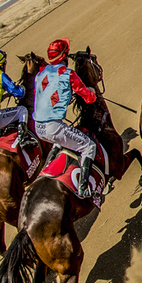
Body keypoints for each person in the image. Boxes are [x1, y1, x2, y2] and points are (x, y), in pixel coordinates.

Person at [33, 38, 99, 198]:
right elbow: (89, 98)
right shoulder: (68, 73)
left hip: (38, 128)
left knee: (59, 142)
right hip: (53, 127)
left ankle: (44, 170)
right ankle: (83, 189)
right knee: (89, 146)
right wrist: (92, 92)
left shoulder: (40, 74)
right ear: (64, 56)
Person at [0, 50, 39, 148]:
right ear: (3, 63)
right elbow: (19, 93)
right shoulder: (0, 75)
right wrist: (22, 87)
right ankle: (24, 139)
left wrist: (6, 95)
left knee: (4, 121)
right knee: (22, 110)